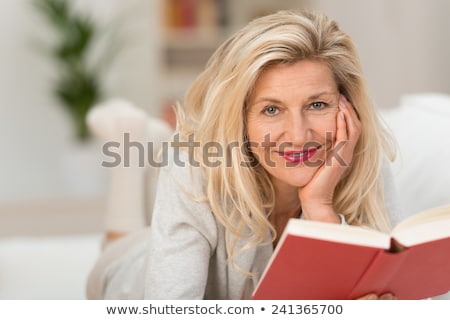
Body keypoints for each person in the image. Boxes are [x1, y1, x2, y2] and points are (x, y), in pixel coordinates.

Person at [87, 9, 399, 300]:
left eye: (317, 105)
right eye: (271, 109)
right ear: (241, 120)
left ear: (347, 107)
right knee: (118, 241)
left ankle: (152, 138)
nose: (298, 135)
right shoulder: (193, 170)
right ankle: (130, 137)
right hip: (126, 272)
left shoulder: (360, 159)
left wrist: (320, 209)